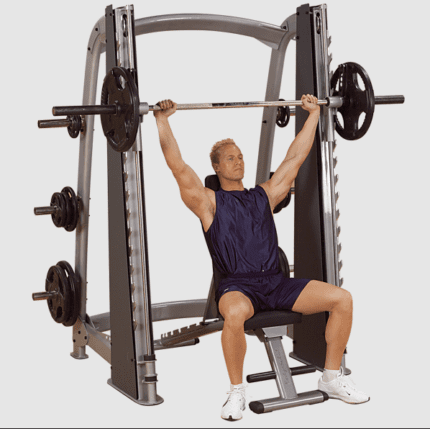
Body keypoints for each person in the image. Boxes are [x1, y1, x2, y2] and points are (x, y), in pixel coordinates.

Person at [154, 96, 370, 421]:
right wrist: (162, 120)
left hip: (276, 284)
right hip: (238, 287)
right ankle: (236, 392)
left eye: (240, 157)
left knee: (342, 299)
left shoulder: (264, 195)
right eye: (230, 158)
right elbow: (178, 168)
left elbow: (295, 158)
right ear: (216, 167)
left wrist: (313, 114)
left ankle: (331, 377)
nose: (238, 162)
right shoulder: (208, 203)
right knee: (236, 315)